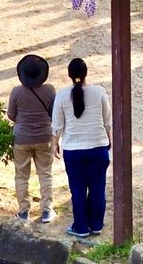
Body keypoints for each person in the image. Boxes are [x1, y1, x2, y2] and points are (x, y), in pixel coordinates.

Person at [51, 57, 111, 239]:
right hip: (98, 146)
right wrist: (108, 138)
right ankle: (97, 225)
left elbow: (57, 124)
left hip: (73, 149)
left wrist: (55, 143)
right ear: (86, 74)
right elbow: (107, 120)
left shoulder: (61, 95)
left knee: (77, 189)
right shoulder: (99, 91)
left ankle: (81, 227)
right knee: (98, 187)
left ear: (70, 75)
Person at [7, 54, 57, 223]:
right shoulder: (50, 90)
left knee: (21, 175)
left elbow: (11, 115)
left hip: (21, 138)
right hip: (45, 137)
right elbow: (54, 113)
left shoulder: (16, 91)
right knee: (46, 174)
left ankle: (23, 211)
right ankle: (46, 211)